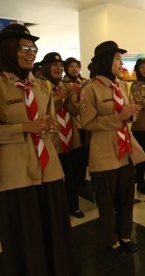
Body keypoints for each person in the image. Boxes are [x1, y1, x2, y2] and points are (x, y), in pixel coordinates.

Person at [0, 24, 73, 275]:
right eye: (24, 48)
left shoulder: (42, 86)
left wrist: (48, 125)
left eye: (33, 48)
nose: (31, 53)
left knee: (52, 226)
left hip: (48, 168)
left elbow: (50, 122)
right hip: (16, 172)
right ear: (9, 49)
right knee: (26, 232)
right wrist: (25, 126)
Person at [79, 40, 145, 258]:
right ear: (106, 61)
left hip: (125, 153)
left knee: (127, 198)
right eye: (118, 59)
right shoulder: (90, 89)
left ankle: (125, 235)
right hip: (105, 155)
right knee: (107, 203)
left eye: (121, 59)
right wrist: (119, 117)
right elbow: (88, 123)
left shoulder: (122, 86)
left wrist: (132, 113)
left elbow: (127, 119)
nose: (121, 63)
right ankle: (112, 240)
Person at [41, 52, 85, 218]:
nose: (58, 68)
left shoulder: (66, 87)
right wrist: (60, 99)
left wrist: (75, 99)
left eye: (60, 65)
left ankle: (73, 206)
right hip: (53, 141)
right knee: (54, 179)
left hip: (71, 138)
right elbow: (43, 111)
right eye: (54, 65)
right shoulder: (40, 87)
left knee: (72, 175)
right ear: (46, 67)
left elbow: (74, 111)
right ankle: (57, 209)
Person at [63, 57, 90, 190]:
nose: (74, 69)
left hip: (85, 122)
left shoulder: (85, 82)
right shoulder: (63, 84)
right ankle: (73, 178)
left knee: (85, 153)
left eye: (77, 66)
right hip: (72, 123)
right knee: (75, 154)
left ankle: (82, 176)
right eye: (71, 66)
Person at [131, 57, 145, 194]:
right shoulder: (135, 86)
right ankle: (140, 183)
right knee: (142, 157)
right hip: (141, 126)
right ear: (138, 70)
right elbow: (140, 103)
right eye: (142, 67)